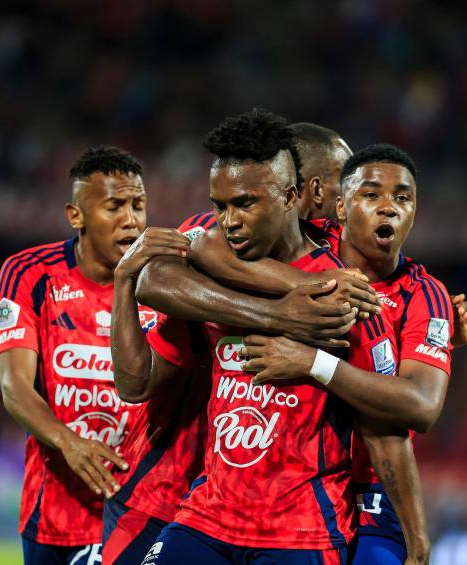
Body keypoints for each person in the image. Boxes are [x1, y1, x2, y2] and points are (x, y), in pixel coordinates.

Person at [114, 109, 357, 563]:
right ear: (306, 189)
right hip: (185, 496)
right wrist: (279, 313)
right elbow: (157, 281)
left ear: (290, 195)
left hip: (299, 524)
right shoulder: (211, 258)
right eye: (220, 206)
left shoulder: (345, 277)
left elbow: (404, 404)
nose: (228, 220)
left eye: (241, 204)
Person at [240, 143, 467, 564]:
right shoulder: (303, 245)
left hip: (367, 491)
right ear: (341, 207)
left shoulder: (426, 296)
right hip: (277, 478)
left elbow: (420, 407)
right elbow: (213, 246)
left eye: (403, 198)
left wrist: (315, 363)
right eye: (372, 195)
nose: (389, 208)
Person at [0, 146, 168, 564]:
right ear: (76, 216)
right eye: (114, 206)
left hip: (144, 509)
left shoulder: (164, 282)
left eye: (138, 206)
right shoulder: (30, 274)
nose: (131, 220)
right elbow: (14, 387)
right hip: (56, 512)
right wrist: (70, 443)